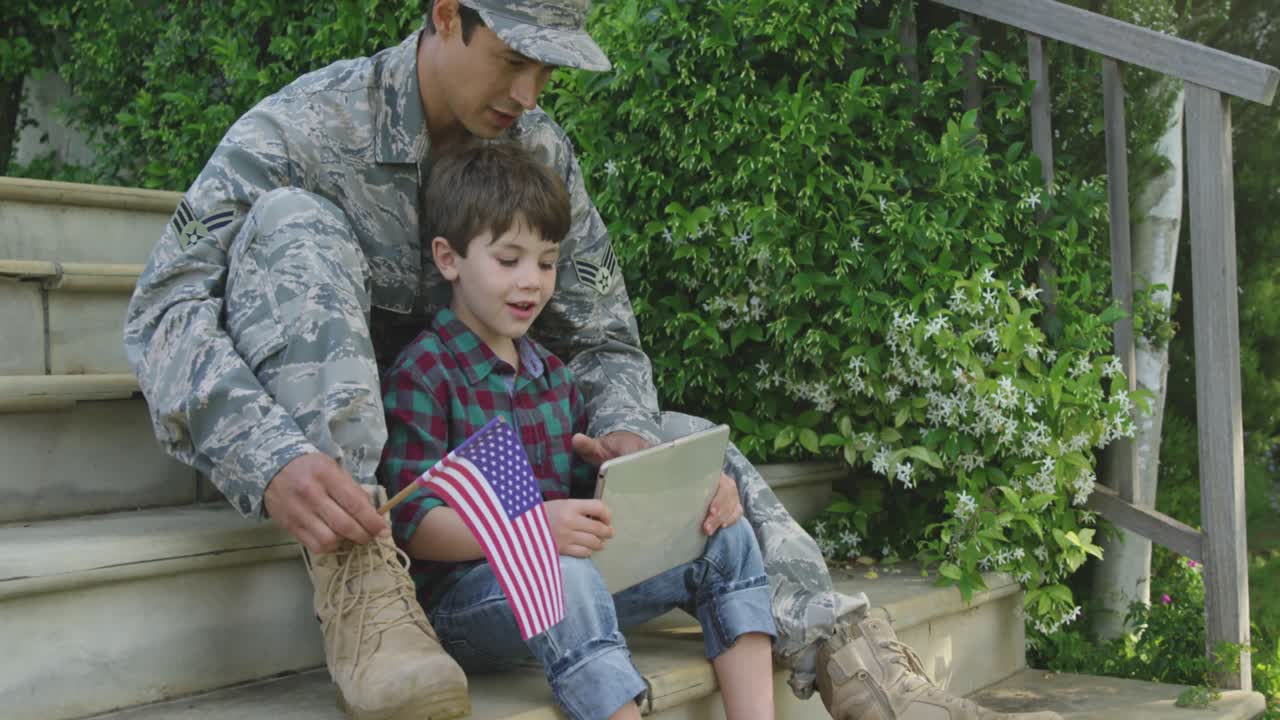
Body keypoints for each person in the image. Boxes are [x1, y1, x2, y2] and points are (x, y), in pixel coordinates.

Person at [123, 1, 1062, 719]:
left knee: (693, 448)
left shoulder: (533, 144)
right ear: (447, 15)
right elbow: (164, 307)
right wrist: (268, 457)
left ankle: (858, 669)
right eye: (515, 58)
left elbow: (605, 335)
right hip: (361, 475)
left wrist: (629, 444)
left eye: (548, 68)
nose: (530, 93)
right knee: (293, 226)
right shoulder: (301, 130)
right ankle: (360, 582)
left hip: (496, 446)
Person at [379, 141, 777, 720]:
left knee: (726, 537)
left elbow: (579, 502)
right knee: (562, 574)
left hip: (570, 584)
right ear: (449, 259)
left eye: (546, 262)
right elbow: (411, 525)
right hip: (468, 606)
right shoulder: (424, 372)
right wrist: (529, 532)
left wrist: (686, 498)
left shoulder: (554, 378)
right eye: (509, 259)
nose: (532, 282)